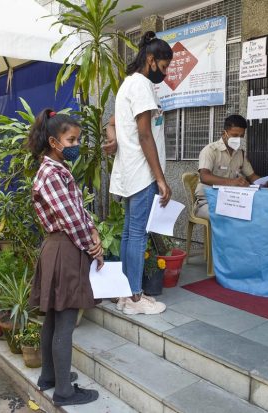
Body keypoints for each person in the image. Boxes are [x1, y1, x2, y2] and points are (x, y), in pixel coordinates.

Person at [27, 109, 103, 407]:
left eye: (77, 139)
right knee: (65, 322)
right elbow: (71, 219)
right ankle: (64, 392)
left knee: (54, 320)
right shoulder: (52, 174)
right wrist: (92, 246)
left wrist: (93, 229)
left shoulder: (55, 171)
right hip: (65, 249)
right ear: (53, 141)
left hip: (59, 247)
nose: (75, 145)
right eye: (70, 140)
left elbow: (78, 212)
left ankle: (50, 377)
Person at [109, 31, 173, 315]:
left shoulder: (128, 85)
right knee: (137, 234)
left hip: (129, 169)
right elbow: (145, 135)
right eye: (165, 64)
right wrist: (160, 178)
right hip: (142, 172)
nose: (166, 71)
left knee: (129, 233)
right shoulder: (143, 85)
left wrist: (112, 136)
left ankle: (124, 293)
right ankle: (135, 297)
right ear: (151, 60)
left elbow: (115, 122)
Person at [194, 114, 260, 220]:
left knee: (253, 213)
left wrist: (266, 183)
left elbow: (252, 176)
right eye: (234, 135)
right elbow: (204, 177)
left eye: (241, 136)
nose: (238, 139)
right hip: (207, 201)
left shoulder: (240, 154)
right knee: (231, 216)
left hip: (231, 200)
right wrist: (233, 182)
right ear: (224, 133)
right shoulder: (210, 150)